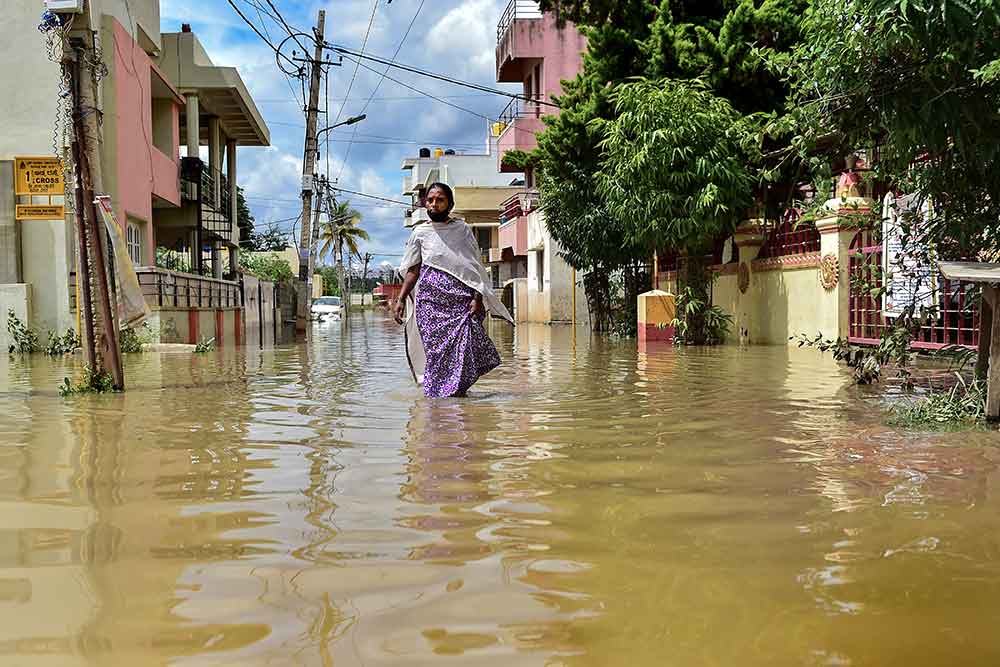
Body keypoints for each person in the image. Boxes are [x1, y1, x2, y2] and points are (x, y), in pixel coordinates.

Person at [393, 182, 513, 398]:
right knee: (436, 352)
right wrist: (401, 298)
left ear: (450, 204)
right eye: (430, 200)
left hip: (461, 303)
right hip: (429, 305)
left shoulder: (462, 230)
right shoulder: (420, 232)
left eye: (440, 200)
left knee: (464, 349)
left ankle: (455, 396)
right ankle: (436, 400)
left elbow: (473, 267)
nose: (434, 204)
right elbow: (413, 269)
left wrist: (477, 297)